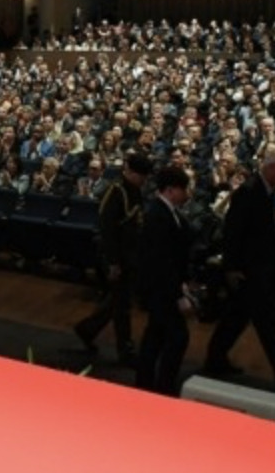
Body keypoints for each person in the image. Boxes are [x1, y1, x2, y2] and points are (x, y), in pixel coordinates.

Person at [202, 145, 275, 399]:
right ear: (271, 167)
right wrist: (231, 268)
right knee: (267, 328)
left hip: (259, 269)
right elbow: (233, 232)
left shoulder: (266, 191)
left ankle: (215, 360)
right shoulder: (248, 192)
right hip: (250, 272)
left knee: (234, 320)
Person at [73, 153, 150, 365]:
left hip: (130, 255)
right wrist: (113, 262)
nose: (144, 180)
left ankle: (87, 330)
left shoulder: (134, 190)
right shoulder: (117, 191)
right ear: (131, 172)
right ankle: (125, 350)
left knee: (118, 301)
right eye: (141, 176)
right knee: (122, 305)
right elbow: (107, 229)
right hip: (116, 256)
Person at [136, 166, 194, 395]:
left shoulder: (167, 212)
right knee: (177, 337)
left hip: (162, 288)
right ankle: (163, 386)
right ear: (171, 190)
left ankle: (147, 382)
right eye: (184, 189)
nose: (187, 193)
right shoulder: (158, 215)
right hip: (161, 290)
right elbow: (163, 261)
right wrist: (179, 295)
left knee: (155, 336)